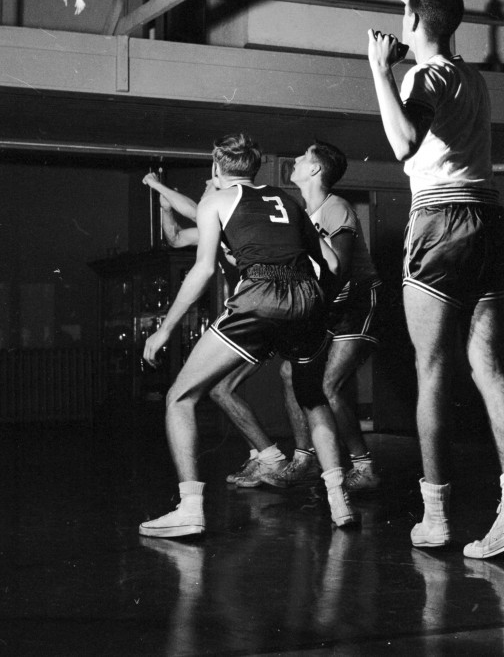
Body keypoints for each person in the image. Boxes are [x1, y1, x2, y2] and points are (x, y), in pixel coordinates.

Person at [366, 0, 504, 558]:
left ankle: (435, 515)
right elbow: (437, 26)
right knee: (487, 365)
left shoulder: (421, 75)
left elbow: (403, 142)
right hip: (492, 224)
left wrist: (378, 70)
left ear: (414, 23)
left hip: (442, 224)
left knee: (432, 369)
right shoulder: (472, 75)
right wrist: (420, 0)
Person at [138, 132, 359, 537]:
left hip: (260, 294)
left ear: (215, 169)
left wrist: (164, 330)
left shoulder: (215, 201)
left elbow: (203, 270)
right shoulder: (287, 199)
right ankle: (339, 500)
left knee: (180, 397)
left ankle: (189, 509)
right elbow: (328, 261)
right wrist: (311, 305)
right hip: (305, 300)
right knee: (312, 399)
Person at [142, 172, 310, 490]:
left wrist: (157, 184)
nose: (206, 189)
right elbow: (176, 237)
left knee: (292, 376)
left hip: (264, 306)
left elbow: (194, 208)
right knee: (222, 388)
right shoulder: (218, 228)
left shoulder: (227, 208)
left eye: (208, 184)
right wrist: (165, 207)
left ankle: (296, 458)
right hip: (262, 311)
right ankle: (272, 457)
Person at [286, 141, 383, 494]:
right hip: (328, 305)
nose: (294, 159)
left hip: (355, 301)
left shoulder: (335, 207)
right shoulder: (303, 213)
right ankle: (304, 458)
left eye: (301, 156)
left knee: (330, 386)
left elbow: (339, 269)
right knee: (289, 372)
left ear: (314, 170)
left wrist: (314, 307)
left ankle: (364, 466)